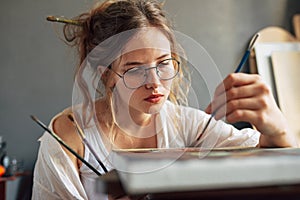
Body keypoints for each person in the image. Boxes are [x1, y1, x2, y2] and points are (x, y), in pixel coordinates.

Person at [32, 0, 298, 199]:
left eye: (164, 63)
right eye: (134, 69)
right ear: (107, 74)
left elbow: (274, 164)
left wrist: (279, 129)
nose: (155, 82)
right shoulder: (70, 136)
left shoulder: (190, 126)